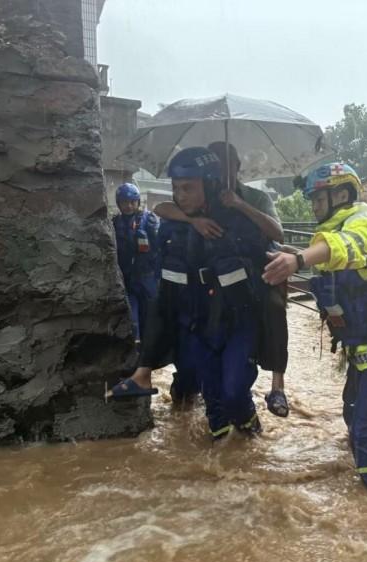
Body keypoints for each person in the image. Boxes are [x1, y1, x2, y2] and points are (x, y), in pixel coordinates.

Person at [263, 163, 367, 495]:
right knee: (352, 414)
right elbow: (333, 271)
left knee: (365, 433)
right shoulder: (338, 232)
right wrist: (292, 263)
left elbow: (345, 247)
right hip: (362, 352)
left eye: (318, 199)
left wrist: (299, 260)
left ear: (342, 195)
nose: (313, 207)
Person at [111, 148, 269, 440]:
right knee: (214, 406)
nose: (179, 195)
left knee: (234, 392)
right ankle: (224, 466)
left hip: (237, 324)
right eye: (175, 189)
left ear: (209, 185)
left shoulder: (238, 222)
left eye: (187, 188)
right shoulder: (172, 229)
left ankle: (252, 438)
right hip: (199, 324)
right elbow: (165, 293)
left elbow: (268, 251)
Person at [153, 141, 291, 418]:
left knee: (274, 306)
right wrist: (193, 221)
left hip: (252, 274)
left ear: (238, 167)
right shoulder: (202, 201)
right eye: (218, 163)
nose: (224, 170)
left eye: (229, 164)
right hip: (209, 290)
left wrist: (239, 204)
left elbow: (277, 233)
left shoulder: (254, 197)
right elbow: (163, 208)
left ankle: (277, 383)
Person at [112, 183, 160, 347]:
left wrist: (151, 236)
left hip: (147, 277)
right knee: (131, 318)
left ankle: (149, 353)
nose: (129, 206)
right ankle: (134, 350)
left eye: (132, 201)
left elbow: (159, 246)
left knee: (150, 317)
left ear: (138, 202)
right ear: (119, 203)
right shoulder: (114, 223)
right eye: (124, 202)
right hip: (126, 278)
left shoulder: (149, 219)